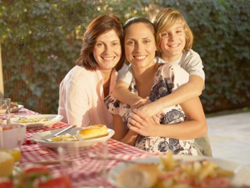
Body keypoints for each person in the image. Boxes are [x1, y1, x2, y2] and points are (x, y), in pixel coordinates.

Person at [111, 8, 212, 156]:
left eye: (146, 41)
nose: (139, 49)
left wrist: (154, 107)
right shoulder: (130, 75)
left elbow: (196, 88)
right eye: (131, 42)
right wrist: (140, 111)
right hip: (140, 167)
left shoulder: (180, 67)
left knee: (205, 153)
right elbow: (118, 90)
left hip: (181, 159)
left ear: (154, 44)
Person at [58, 15, 125, 128]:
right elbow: (79, 133)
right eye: (100, 44)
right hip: (79, 142)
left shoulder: (124, 72)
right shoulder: (78, 80)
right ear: (90, 47)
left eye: (114, 44)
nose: (108, 52)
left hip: (116, 143)